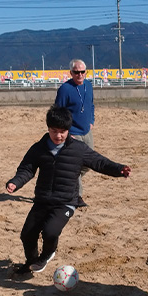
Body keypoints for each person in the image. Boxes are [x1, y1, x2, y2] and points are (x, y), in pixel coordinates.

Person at [6, 105, 131, 276]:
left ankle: (47, 254)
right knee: (27, 234)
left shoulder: (78, 149)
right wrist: (15, 182)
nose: (58, 135)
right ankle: (31, 263)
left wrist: (119, 169)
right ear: (48, 128)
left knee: (50, 232)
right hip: (42, 200)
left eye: (63, 131)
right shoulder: (39, 148)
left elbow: (100, 162)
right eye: (54, 131)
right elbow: (27, 169)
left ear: (68, 130)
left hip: (65, 202)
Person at [55, 59, 95, 207]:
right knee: (75, 163)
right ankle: (77, 197)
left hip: (86, 130)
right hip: (72, 133)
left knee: (89, 163)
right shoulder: (65, 89)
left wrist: (91, 120)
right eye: (76, 72)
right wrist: (65, 131)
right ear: (71, 73)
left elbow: (91, 105)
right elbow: (58, 111)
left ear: (86, 72)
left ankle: (68, 179)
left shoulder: (89, 86)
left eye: (82, 72)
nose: (79, 75)